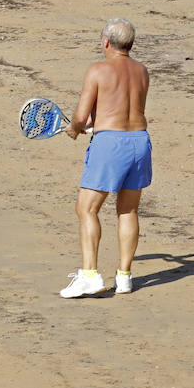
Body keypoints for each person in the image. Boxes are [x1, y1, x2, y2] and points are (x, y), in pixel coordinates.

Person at [59, 17, 151, 297]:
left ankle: (89, 276)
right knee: (128, 210)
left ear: (106, 42)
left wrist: (75, 129)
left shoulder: (98, 70)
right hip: (140, 142)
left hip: (110, 144)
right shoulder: (142, 71)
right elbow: (123, 109)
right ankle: (124, 277)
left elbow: (80, 116)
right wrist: (93, 125)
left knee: (86, 209)